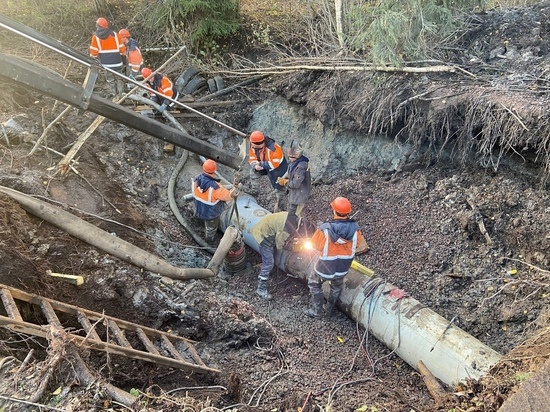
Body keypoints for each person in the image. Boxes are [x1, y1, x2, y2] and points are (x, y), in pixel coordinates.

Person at [304, 197, 367, 319]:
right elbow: (358, 244)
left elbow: (315, 245)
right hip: (342, 268)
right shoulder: (356, 231)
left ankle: (317, 312)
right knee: (336, 287)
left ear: (333, 210)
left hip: (324, 268)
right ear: (348, 212)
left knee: (314, 283)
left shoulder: (324, 230)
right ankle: (329, 310)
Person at [250, 212, 315, 300]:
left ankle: (270, 271)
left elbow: (291, 235)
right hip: (263, 235)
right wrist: (296, 248)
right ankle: (261, 289)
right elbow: (280, 245)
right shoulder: (286, 229)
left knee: (273, 254)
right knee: (269, 262)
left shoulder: (296, 219)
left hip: (269, 229)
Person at [192, 159, 239, 243]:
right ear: (214, 170)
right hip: (211, 214)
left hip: (199, 208)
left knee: (205, 221)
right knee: (211, 228)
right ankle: (208, 241)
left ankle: (202, 225)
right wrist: (235, 188)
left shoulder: (196, 180)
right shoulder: (215, 187)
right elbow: (229, 196)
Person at [276, 141, 312, 239]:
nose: (289, 159)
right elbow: (289, 172)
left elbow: (296, 184)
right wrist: (284, 177)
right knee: (291, 213)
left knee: (295, 215)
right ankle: (290, 229)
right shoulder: (295, 163)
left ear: (296, 156)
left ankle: (295, 234)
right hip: (296, 194)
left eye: (291, 157)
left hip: (299, 194)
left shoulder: (301, 167)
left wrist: (284, 182)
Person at [248, 130, 288, 213]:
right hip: (265, 166)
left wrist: (260, 164)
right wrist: (255, 165)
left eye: (254, 145)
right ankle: (255, 190)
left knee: (279, 187)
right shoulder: (253, 147)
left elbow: (275, 164)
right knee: (254, 171)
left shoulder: (273, 148)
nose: (252, 146)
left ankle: (281, 207)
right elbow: (252, 158)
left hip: (278, 170)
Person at [89, 17, 126, 98]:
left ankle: (114, 95)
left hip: (106, 65)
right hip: (117, 63)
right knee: (120, 78)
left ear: (97, 25)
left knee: (110, 80)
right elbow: (123, 50)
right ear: (106, 25)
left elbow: (94, 53)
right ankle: (121, 95)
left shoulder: (95, 37)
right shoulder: (116, 35)